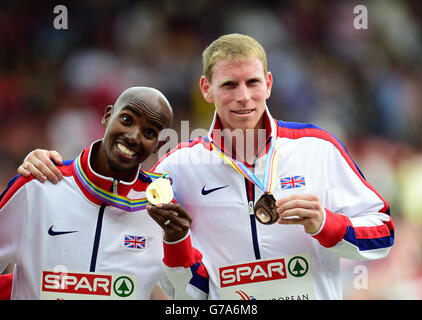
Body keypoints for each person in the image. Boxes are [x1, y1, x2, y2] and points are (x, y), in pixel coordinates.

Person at [17, 34, 395, 300]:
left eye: (252, 82)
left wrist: (325, 224)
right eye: (229, 85)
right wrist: (54, 168)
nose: (243, 97)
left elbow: (384, 233)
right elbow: (111, 198)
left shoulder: (318, 148)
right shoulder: (178, 167)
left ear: (269, 84)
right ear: (206, 89)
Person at [0, 86, 204, 299]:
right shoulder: (39, 183)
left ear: (158, 145)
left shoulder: (162, 209)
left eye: (149, 132)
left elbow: (185, 296)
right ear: (108, 116)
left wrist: (177, 244)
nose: (134, 136)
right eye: (126, 119)